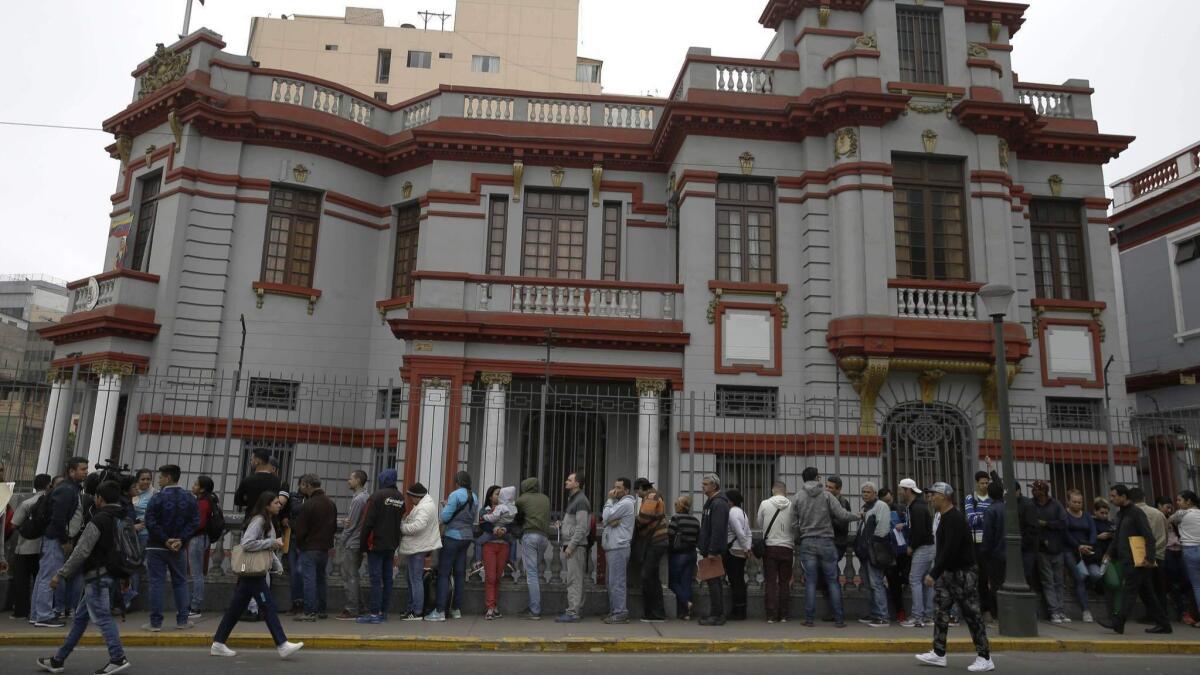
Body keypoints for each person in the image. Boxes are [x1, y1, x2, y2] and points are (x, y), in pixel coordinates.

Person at [35, 480, 132, 675]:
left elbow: (81, 551)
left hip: (96, 577)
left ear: (100, 499)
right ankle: (58, 660)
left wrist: (60, 574)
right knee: (80, 619)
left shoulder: (99, 520)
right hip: (112, 574)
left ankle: (117, 657)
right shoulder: (124, 518)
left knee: (103, 618)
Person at [210, 492, 304, 659]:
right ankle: (282, 644)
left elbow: (266, 547)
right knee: (268, 607)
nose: (279, 505)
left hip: (254, 572)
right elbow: (247, 543)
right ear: (267, 505)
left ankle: (218, 643)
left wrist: (276, 563)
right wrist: (272, 543)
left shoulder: (267, 521)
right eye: (275, 503)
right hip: (254, 573)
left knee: (235, 609)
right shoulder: (260, 521)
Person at [914, 482, 994, 673]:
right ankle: (939, 652)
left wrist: (934, 573)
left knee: (972, 615)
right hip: (948, 573)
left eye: (934, 494)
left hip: (963, 573)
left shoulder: (955, 518)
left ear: (944, 496)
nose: (930, 498)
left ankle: (985, 657)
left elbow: (950, 549)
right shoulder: (943, 517)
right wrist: (939, 572)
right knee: (940, 611)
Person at [791, 466, 859, 627]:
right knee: (833, 581)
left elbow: (793, 523)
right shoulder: (827, 495)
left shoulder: (798, 497)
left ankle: (809, 619)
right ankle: (839, 619)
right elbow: (842, 515)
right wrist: (858, 516)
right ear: (817, 478)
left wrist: (799, 537)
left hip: (807, 542)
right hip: (827, 541)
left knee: (811, 582)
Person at [1098, 484, 1171, 634]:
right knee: (1147, 594)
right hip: (1127, 559)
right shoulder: (1121, 514)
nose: (1111, 499)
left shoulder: (1136, 513)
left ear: (1123, 497)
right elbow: (1117, 536)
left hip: (1137, 560)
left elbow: (1148, 536)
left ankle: (1118, 623)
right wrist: (1109, 552)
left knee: (1129, 591)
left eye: (1114, 496)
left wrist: (1150, 558)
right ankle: (1164, 624)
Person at [32, 457, 89, 628]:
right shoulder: (66, 490)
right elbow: (59, 518)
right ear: (71, 471)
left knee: (44, 576)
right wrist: (65, 540)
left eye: (86, 469)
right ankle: (43, 615)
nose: (86, 472)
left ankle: (37, 614)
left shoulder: (71, 489)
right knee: (49, 577)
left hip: (55, 538)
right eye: (82, 469)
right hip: (55, 539)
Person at [142, 464, 200, 632]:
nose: (158, 480)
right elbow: (195, 522)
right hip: (178, 548)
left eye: (160, 477)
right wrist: (180, 540)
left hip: (156, 547)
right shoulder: (189, 498)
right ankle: (182, 620)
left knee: (157, 583)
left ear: (168, 478)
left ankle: (155, 623)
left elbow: (150, 521)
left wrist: (165, 539)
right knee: (180, 582)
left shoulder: (157, 498)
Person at [356, 469, 405, 624]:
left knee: (376, 579)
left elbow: (367, 522)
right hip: (391, 544)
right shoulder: (400, 498)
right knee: (387, 579)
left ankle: (375, 613)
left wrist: (362, 545)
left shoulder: (376, 496)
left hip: (375, 544)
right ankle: (384, 611)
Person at [428, 471, 477, 622]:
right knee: (460, 574)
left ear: (457, 482)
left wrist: (445, 506)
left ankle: (440, 611)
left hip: (453, 536)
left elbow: (445, 517)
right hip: (467, 536)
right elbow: (472, 517)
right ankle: (456, 609)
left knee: (444, 573)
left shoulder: (455, 495)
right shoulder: (474, 496)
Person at [7, 473, 51, 620]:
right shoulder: (52, 502)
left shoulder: (27, 503)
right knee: (42, 581)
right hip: (44, 548)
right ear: (48, 485)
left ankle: (21, 611)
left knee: (22, 581)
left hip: (25, 547)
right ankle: (38, 610)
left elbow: (14, 524)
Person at [293, 473, 336, 621]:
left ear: (309, 486)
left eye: (304, 485)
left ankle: (309, 611)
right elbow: (333, 526)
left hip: (309, 547)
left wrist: (300, 545)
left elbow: (301, 529)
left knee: (309, 579)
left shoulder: (309, 505)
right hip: (324, 548)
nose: (302, 487)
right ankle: (322, 609)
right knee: (321, 578)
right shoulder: (330, 503)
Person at [398, 482, 440, 620]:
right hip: (418, 545)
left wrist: (403, 527)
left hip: (418, 546)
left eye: (411, 497)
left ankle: (416, 611)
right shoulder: (426, 504)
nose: (410, 500)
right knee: (413, 579)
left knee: (415, 580)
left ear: (416, 497)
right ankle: (412, 609)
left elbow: (418, 526)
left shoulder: (424, 508)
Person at [1029, 480, 1069, 623]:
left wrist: (1046, 524)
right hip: (1042, 548)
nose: (1033, 492)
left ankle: (1060, 609)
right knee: (1048, 581)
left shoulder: (1056, 504)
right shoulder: (1031, 504)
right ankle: (1054, 611)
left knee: (1058, 581)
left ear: (1043, 491)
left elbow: (1064, 523)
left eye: (1035, 489)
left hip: (1056, 546)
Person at [899, 478, 935, 628]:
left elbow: (919, 531)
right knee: (927, 582)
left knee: (914, 580)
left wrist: (911, 546)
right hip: (929, 547)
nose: (900, 492)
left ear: (908, 491)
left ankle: (917, 617)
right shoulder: (918, 506)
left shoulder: (916, 508)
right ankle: (927, 616)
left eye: (901, 489)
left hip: (922, 548)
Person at [557, 471, 591, 623]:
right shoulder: (575, 499)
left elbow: (582, 527)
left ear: (577, 483)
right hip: (575, 545)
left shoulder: (580, 501)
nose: (566, 481)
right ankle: (577, 610)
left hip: (575, 546)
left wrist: (571, 546)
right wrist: (562, 525)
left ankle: (573, 612)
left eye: (569, 480)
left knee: (574, 580)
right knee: (576, 579)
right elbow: (575, 524)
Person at [964, 463, 997, 621]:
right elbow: (971, 520)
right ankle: (983, 609)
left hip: (991, 542)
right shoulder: (971, 498)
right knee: (980, 578)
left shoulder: (993, 499)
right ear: (977, 483)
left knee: (993, 577)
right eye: (982, 483)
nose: (985, 485)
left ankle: (992, 609)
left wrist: (992, 468)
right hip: (976, 542)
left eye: (987, 482)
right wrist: (989, 516)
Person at [515, 476, 550, 620]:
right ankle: (533, 606)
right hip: (544, 538)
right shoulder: (545, 499)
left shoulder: (522, 499)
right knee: (536, 571)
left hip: (530, 536)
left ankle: (535, 610)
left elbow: (514, 514)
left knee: (532, 575)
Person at [601, 477, 636, 624]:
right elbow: (607, 520)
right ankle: (614, 610)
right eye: (614, 487)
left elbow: (606, 516)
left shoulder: (626, 503)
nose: (615, 490)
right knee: (611, 582)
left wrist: (609, 500)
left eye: (619, 488)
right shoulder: (619, 503)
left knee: (617, 582)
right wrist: (610, 519)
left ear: (626, 490)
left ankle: (620, 612)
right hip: (613, 546)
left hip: (619, 547)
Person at [757, 480, 793, 624]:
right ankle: (783, 615)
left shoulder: (765, 504)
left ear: (773, 490)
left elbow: (760, 523)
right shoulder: (792, 505)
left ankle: (770, 615)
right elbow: (795, 524)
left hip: (770, 546)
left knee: (770, 582)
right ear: (786, 491)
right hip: (787, 547)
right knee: (785, 582)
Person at [858, 481, 892, 627]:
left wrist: (871, 544)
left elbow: (883, 529)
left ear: (875, 493)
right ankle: (875, 613)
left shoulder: (880, 506)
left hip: (874, 552)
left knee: (876, 583)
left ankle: (883, 616)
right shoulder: (866, 508)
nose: (865, 494)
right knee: (869, 584)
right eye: (863, 492)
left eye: (868, 492)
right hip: (865, 552)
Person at [1131, 487, 1169, 622]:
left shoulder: (1133, 513)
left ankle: (1152, 615)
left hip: (1141, 554)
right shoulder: (1158, 514)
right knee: (1159, 588)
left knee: (1146, 588)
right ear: (1144, 498)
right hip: (1159, 554)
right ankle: (1162, 615)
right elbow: (1166, 531)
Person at [697, 473, 730, 626]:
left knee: (714, 583)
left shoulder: (718, 504)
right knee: (712, 583)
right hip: (709, 548)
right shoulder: (711, 503)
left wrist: (712, 550)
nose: (702, 487)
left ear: (714, 486)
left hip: (713, 550)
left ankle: (717, 615)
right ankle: (715, 613)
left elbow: (717, 529)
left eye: (705, 484)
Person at [1063, 489, 1100, 623]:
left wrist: (1089, 545)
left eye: (1080, 502)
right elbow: (1065, 533)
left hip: (1087, 551)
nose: (1078, 504)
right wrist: (1078, 546)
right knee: (1080, 576)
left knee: (1095, 574)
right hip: (1070, 551)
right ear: (1068, 501)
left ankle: (1087, 588)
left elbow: (1093, 532)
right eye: (1075, 502)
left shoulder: (1087, 516)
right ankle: (1086, 610)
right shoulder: (1065, 515)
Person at [337, 469, 370, 620]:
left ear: (358, 481)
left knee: (349, 576)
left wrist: (342, 540)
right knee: (353, 575)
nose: (348, 481)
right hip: (358, 541)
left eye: (351, 478)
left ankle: (352, 608)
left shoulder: (358, 500)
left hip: (352, 543)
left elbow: (352, 524)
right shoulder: (364, 497)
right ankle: (360, 606)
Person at [480, 485, 516, 620]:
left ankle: (495, 606)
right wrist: (495, 530)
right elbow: (483, 523)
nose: (499, 496)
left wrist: (504, 530)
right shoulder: (485, 510)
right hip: (489, 545)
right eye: (496, 494)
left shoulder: (508, 508)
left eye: (500, 494)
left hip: (503, 546)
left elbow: (512, 523)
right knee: (490, 577)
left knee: (498, 577)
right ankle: (490, 607)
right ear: (490, 496)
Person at [1158, 495, 1193, 624]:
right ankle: (1183, 611)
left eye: (1170, 507)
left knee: (1186, 580)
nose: (1169, 510)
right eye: (1166, 507)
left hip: (1180, 550)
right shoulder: (1159, 518)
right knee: (1173, 582)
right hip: (1167, 551)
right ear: (1159, 507)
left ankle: (1181, 605)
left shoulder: (1176, 519)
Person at [824, 475, 854, 621]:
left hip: (837, 544)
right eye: (827, 486)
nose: (827, 489)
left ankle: (837, 612)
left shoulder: (843, 503)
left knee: (832, 578)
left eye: (831, 487)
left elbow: (843, 525)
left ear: (839, 489)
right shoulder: (824, 501)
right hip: (826, 543)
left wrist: (829, 518)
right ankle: (833, 610)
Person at [637, 486, 669, 623]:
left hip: (656, 541)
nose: (636, 494)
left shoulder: (651, 497)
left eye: (636, 490)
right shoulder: (657, 495)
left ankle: (654, 613)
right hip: (659, 540)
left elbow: (644, 518)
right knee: (653, 578)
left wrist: (636, 521)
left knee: (647, 576)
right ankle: (657, 613)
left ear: (641, 488)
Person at [186, 475, 216, 620]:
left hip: (197, 538)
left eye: (196, 484)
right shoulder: (207, 500)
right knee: (197, 573)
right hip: (201, 538)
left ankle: (195, 606)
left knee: (197, 574)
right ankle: (193, 604)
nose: (193, 486)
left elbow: (199, 523)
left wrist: (186, 532)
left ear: (202, 488)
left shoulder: (203, 502)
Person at [123, 469, 153, 608]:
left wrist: (143, 523)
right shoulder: (131, 492)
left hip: (143, 534)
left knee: (135, 564)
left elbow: (154, 514)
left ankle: (131, 598)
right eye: (143, 479)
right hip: (127, 534)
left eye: (148, 479)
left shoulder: (154, 494)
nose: (146, 482)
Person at [1170, 490, 1200, 626]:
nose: (1177, 503)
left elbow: (1169, 521)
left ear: (1188, 502)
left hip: (1190, 550)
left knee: (1197, 586)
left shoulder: (1181, 513)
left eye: (1179, 500)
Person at [667, 495, 699, 620]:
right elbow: (698, 538)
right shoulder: (695, 520)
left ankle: (686, 602)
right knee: (686, 582)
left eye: (677, 503)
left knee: (673, 581)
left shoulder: (676, 519)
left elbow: (670, 535)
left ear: (682, 506)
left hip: (678, 554)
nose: (675, 504)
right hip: (691, 554)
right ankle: (686, 613)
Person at [979, 481, 1007, 621]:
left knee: (994, 584)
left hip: (995, 553)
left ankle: (996, 612)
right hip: (1009, 552)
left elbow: (988, 534)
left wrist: (984, 551)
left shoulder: (990, 510)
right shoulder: (1009, 508)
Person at [233, 450, 281, 516]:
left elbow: (237, 500)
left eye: (252, 459)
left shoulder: (248, 480)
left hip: (251, 518)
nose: (250, 462)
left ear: (257, 461)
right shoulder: (276, 481)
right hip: (268, 519)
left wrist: (249, 500)